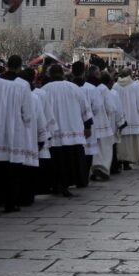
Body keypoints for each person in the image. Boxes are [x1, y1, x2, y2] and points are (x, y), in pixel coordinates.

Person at [0, 55, 34, 213]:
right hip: (13, 132)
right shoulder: (23, 85)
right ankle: (10, 202)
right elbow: (27, 113)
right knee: (12, 171)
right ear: (19, 67)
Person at [41, 64, 92, 196]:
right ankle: (68, 184)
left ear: (50, 75)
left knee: (56, 160)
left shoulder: (45, 89)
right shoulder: (73, 87)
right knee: (70, 160)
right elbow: (85, 108)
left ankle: (56, 185)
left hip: (54, 132)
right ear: (63, 74)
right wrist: (87, 126)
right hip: (72, 130)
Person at [112, 69, 139, 169]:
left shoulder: (115, 85)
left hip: (120, 117)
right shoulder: (135, 85)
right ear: (130, 75)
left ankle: (120, 160)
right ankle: (128, 161)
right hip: (133, 116)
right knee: (131, 141)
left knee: (121, 140)